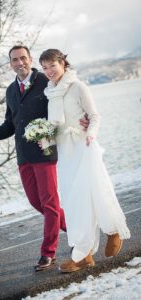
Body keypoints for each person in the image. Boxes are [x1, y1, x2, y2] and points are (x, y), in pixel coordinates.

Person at [0, 45, 88, 272]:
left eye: (23, 58)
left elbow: (68, 102)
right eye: (15, 60)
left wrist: (83, 119)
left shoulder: (45, 81)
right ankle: (79, 233)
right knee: (37, 202)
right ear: (10, 64)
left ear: (30, 59)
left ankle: (48, 253)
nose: (20, 63)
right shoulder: (10, 90)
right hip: (23, 155)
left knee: (49, 203)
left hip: (45, 151)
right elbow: (11, 124)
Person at [39, 49, 131, 273]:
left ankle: (112, 231)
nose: (49, 71)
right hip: (65, 152)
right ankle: (85, 253)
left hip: (83, 146)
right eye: (45, 67)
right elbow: (57, 124)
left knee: (95, 191)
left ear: (63, 63)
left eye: (53, 65)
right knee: (72, 201)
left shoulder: (77, 86)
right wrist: (44, 137)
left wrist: (91, 134)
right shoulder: (50, 92)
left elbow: (95, 116)